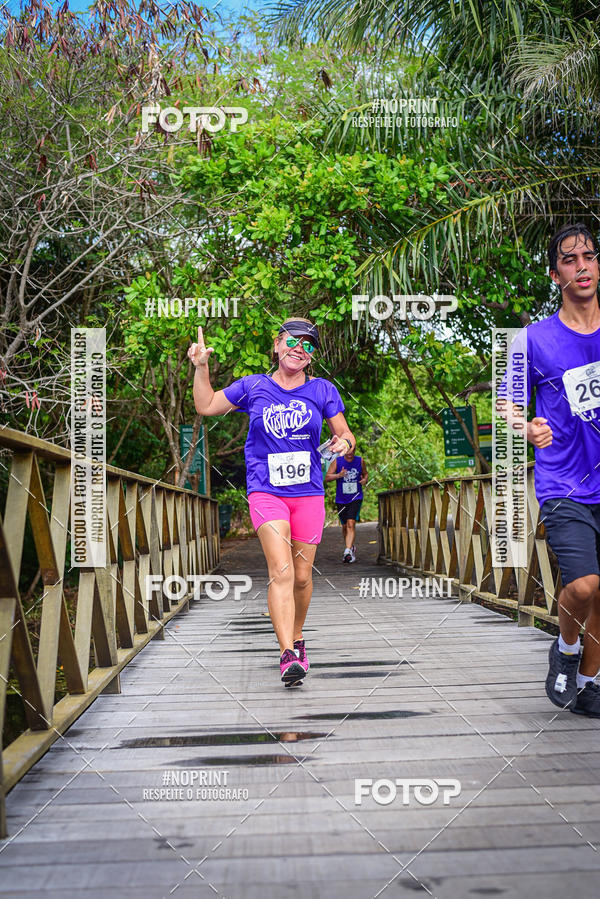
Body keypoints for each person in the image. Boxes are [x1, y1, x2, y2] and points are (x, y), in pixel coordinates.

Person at [188, 317, 355, 687]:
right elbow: (207, 405)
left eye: (309, 345)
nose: (300, 348)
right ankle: (287, 655)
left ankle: (297, 637)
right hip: (266, 492)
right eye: (293, 341)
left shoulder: (323, 391)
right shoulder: (254, 387)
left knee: (301, 576)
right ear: (277, 345)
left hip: (308, 494)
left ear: (311, 357)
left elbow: (344, 433)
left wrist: (343, 444)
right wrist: (201, 369)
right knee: (280, 571)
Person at [498, 222, 600, 717]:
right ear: (555, 273)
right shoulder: (533, 340)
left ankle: (591, 682)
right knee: (583, 584)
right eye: (569, 259)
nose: (581, 266)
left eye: (589, 256)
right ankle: (564, 651)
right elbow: (505, 404)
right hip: (564, 482)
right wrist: (526, 428)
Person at [325, 448, 368, 562]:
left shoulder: (360, 461)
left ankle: (348, 551)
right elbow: (327, 477)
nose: (350, 454)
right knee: (345, 526)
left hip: (356, 497)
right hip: (341, 499)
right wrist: (339, 475)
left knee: (351, 523)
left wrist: (365, 480)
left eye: (352, 452)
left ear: (355, 451)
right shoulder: (337, 461)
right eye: (348, 452)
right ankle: (350, 547)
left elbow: (365, 474)